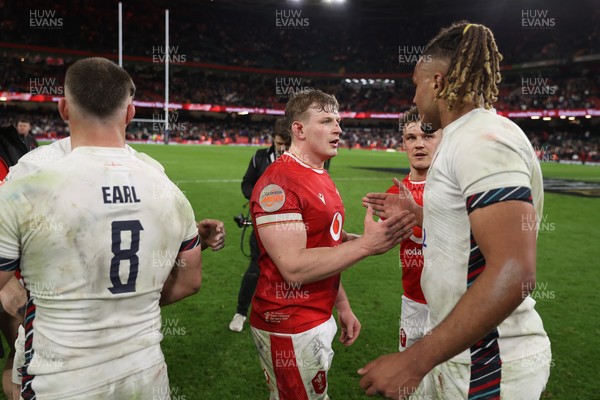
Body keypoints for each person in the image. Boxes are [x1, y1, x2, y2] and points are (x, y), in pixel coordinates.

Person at [359, 22, 551, 399]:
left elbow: (514, 271)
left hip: (488, 361)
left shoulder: (483, 140)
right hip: (460, 351)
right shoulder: (462, 138)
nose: (413, 99)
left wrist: (413, 361)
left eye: (415, 84)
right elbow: (471, 237)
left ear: (437, 81)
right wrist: (418, 214)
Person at [0, 57, 204, 399]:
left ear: (64, 108)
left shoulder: (29, 179)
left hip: (62, 380)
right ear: (130, 113)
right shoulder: (164, 184)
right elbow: (190, 280)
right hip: (146, 377)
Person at [249, 89, 416, 399]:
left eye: (338, 121)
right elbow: (295, 267)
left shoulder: (319, 174)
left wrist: (342, 305)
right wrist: (366, 246)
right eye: (326, 121)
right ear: (298, 129)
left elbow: (324, 246)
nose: (338, 128)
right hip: (289, 321)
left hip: (317, 314)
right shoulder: (279, 183)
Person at [383, 107, 441, 352]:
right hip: (412, 304)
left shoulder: (458, 189)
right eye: (411, 138)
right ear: (403, 144)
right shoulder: (394, 194)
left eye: (427, 136)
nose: (419, 144)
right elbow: (382, 240)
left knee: (450, 383)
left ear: (442, 140)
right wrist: (351, 240)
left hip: (452, 304)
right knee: (411, 385)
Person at [229, 118, 291, 332]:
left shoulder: (299, 160)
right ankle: (240, 312)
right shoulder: (259, 158)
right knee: (255, 269)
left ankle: (281, 312)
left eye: (286, 143)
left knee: (289, 270)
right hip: (262, 224)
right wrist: (259, 196)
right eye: (278, 142)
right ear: (272, 139)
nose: (282, 148)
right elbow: (246, 183)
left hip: (290, 227)